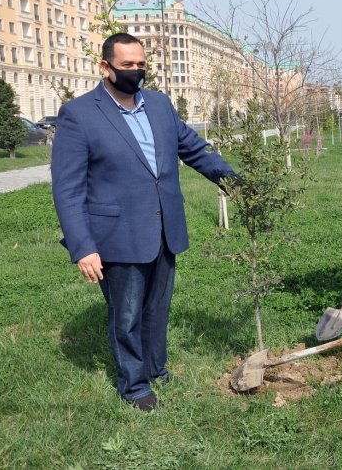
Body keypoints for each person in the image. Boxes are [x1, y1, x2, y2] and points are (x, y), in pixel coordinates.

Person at [51, 33, 236, 411]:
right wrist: (83, 246)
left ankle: (155, 369)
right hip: (117, 233)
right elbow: (67, 190)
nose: (137, 71)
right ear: (106, 67)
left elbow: (194, 149)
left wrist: (236, 183)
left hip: (164, 227)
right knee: (127, 315)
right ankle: (134, 386)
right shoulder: (80, 115)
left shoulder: (159, 105)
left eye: (141, 64)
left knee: (157, 308)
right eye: (127, 65)